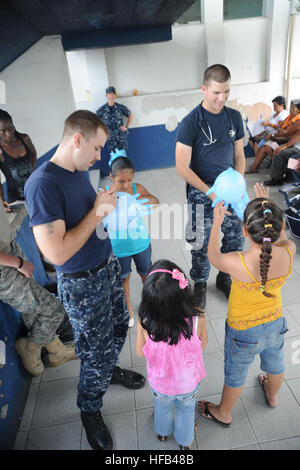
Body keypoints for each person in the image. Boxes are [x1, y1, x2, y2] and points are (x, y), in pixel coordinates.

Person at [24, 110, 145, 451]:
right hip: (80, 281)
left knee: (120, 324)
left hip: (104, 264)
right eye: (97, 148)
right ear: (77, 140)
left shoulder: (77, 169)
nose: (99, 157)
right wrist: (97, 212)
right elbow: (57, 254)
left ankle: (108, 371)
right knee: (93, 351)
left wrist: (104, 206)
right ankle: (89, 408)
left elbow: (87, 218)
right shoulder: (42, 184)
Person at [197, 183, 295, 427]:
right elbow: (281, 239)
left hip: (243, 331)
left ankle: (224, 412)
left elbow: (212, 257)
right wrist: (268, 208)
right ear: (280, 226)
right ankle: (272, 396)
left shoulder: (238, 262)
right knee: (276, 364)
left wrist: (216, 224)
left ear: (244, 231)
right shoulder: (289, 252)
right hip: (275, 324)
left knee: (235, 374)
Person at [176, 64, 245, 309]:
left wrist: (237, 185)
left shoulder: (234, 117)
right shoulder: (190, 122)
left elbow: (239, 155)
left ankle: (225, 277)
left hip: (229, 189)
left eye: (226, 91)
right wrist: (211, 192)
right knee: (200, 241)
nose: (222, 98)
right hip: (201, 189)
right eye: (216, 92)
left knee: (236, 238)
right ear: (204, 89)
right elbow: (182, 167)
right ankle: (200, 282)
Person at [136, 259, 207, 450]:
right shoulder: (197, 317)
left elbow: (139, 352)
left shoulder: (145, 321)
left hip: (160, 382)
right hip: (188, 382)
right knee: (186, 409)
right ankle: (185, 442)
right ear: (184, 291)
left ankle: (162, 434)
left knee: (163, 407)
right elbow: (204, 343)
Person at [0, 202, 76, 377]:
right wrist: (18, 264)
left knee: (33, 310)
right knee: (54, 311)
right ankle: (30, 347)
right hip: (5, 268)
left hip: (9, 251)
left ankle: (56, 350)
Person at [107, 150, 159, 328]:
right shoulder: (106, 194)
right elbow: (98, 219)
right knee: (124, 279)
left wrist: (142, 200)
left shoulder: (137, 188)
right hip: (118, 246)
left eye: (129, 180)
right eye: (121, 181)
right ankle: (128, 310)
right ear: (111, 178)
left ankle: (150, 307)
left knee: (147, 275)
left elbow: (156, 201)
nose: (126, 185)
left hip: (141, 243)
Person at [250, 99, 300, 182]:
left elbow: (286, 132)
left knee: (276, 151)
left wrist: (276, 137)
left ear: (298, 110)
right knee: (263, 145)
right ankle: (287, 176)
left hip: (285, 141)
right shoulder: (289, 116)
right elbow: (282, 129)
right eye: (290, 107)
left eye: (292, 108)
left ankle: (277, 177)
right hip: (284, 140)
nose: (290, 109)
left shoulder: (297, 120)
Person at [0, 110, 37, 209]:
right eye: (3, 131)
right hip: (17, 200)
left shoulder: (24, 139)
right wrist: (2, 201)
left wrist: (31, 171)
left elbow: (33, 154)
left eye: (11, 129)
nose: (8, 134)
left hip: (35, 192)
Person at [245, 96, 289, 174]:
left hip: (276, 137)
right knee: (253, 141)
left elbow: (280, 129)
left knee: (265, 147)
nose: (274, 108)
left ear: (281, 105)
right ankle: (256, 164)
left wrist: (269, 125)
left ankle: (255, 166)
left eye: (275, 106)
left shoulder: (283, 114)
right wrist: (261, 130)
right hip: (268, 134)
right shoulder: (274, 113)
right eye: (273, 106)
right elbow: (267, 125)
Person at [96, 86, 133, 154]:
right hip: (110, 139)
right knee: (113, 158)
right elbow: (95, 120)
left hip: (121, 138)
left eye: (113, 94)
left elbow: (130, 115)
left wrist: (126, 126)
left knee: (122, 157)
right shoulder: (102, 109)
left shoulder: (120, 107)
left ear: (115, 95)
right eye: (109, 94)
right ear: (107, 95)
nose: (111, 96)